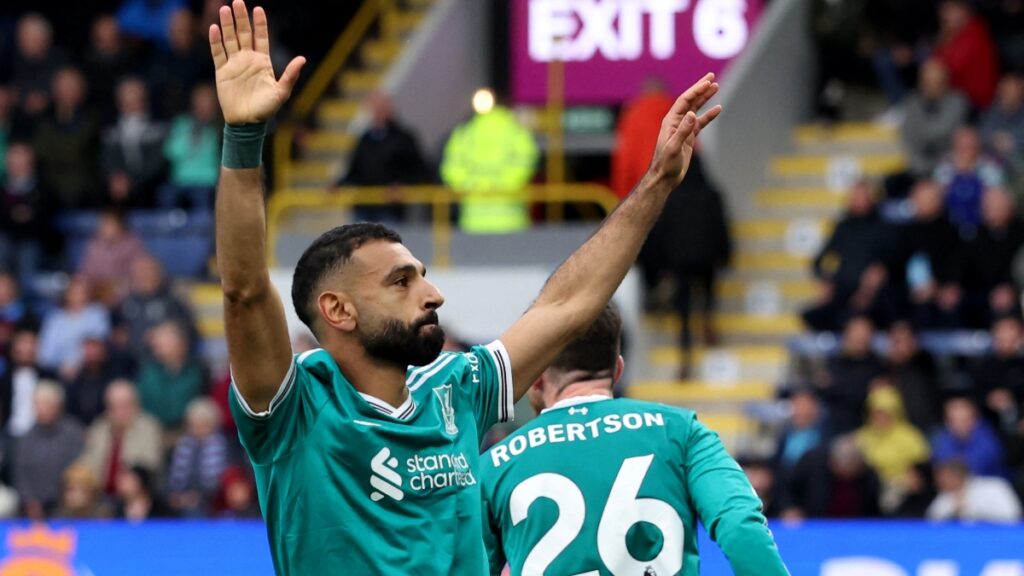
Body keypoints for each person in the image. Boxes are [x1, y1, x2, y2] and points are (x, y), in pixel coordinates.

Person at [208, 2, 720, 573]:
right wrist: (244, 137)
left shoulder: (456, 388)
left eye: (424, 275)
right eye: (402, 282)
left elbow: (569, 304)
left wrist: (655, 185)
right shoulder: (297, 409)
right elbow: (246, 290)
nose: (433, 295)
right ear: (337, 310)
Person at [480, 306, 788, 575]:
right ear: (617, 369)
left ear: (535, 375)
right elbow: (741, 529)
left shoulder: (494, 464)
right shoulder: (682, 432)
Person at [333, 91, 428, 223]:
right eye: (374, 107)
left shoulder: (403, 138)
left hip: (390, 211)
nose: (377, 111)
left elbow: (419, 169)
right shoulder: (364, 140)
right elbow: (355, 171)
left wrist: (402, 185)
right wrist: (339, 185)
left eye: (380, 107)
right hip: (364, 208)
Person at [78, 380, 163, 495]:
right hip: (99, 493)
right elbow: (88, 460)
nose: (121, 411)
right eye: (115, 406)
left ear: (136, 404)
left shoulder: (148, 427)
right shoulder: (99, 427)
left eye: (126, 405)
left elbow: (150, 463)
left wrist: (129, 476)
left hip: (137, 493)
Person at [13, 381, 84, 519]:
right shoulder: (26, 438)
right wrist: (30, 500)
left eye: (47, 405)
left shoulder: (73, 433)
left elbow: (78, 468)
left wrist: (65, 496)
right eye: (39, 405)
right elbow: (20, 473)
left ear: (58, 406)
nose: (43, 410)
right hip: (32, 504)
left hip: (66, 500)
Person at [166, 397, 228, 517]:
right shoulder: (183, 445)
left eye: (204, 425)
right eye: (194, 425)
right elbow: (170, 476)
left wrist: (198, 496)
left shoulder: (223, 446)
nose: (198, 430)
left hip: (210, 501)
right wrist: (175, 495)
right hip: (181, 498)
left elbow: (221, 481)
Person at [927, 458, 1022, 522]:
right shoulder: (944, 497)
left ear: (957, 476)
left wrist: (971, 513)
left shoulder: (995, 487)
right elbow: (932, 520)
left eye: (944, 477)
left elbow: (1012, 515)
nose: (939, 481)